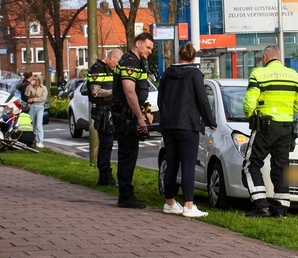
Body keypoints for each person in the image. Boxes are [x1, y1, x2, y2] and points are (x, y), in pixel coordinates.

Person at [242, 45, 298, 217]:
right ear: (279, 57)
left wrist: (251, 116)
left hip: (264, 127)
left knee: (251, 165)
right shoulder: (295, 76)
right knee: (281, 168)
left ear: (264, 57)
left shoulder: (258, 74)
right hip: (287, 128)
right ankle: (281, 209)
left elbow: (249, 103)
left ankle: (260, 206)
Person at [158, 43, 217, 218]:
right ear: (193, 58)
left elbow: (161, 99)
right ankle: (189, 206)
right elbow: (202, 100)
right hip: (188, 125)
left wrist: (165, 117)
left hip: (169, 125)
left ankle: (169, 203)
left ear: (179, 56)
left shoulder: (167, 73)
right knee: (188, 165)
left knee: (172, 164)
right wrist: (210, 121)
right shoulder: (195, 74)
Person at [111, 32, 155, 209]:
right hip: (126, 117)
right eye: (147, 47)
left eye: (152, 48)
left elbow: (140, 93)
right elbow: (129, 91)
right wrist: (139, 117)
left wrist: (146, 111)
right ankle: (125, 195)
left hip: (130, 115)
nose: (150, 51)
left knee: (130, 154)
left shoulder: (138, 63)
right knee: (127, 155)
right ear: (138, 43)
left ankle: (126, 193)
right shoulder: (130, 62)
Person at [87, 49, 121, 187]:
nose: (117, 66)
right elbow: (95, 92)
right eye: (117, 62)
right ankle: (104, 175)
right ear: (111, 57)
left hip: (111, 111)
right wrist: (115, 91)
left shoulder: (110, 69)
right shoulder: (97, 69)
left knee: (109, 144)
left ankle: (105, 175)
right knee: (106, 144)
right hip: (103, 112)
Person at [24, 74, 48, 148]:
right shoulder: (30, 87)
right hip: (32, 106)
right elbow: (26, 94)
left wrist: (33, 99)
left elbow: (43, 98)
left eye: (35, 80)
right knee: (32, 124)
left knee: (38, 124)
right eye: (33, 79)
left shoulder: (43, 88)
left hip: (40, 106)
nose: (33, 81)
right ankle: (33, 140)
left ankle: (40, 141)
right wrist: (29, 86)